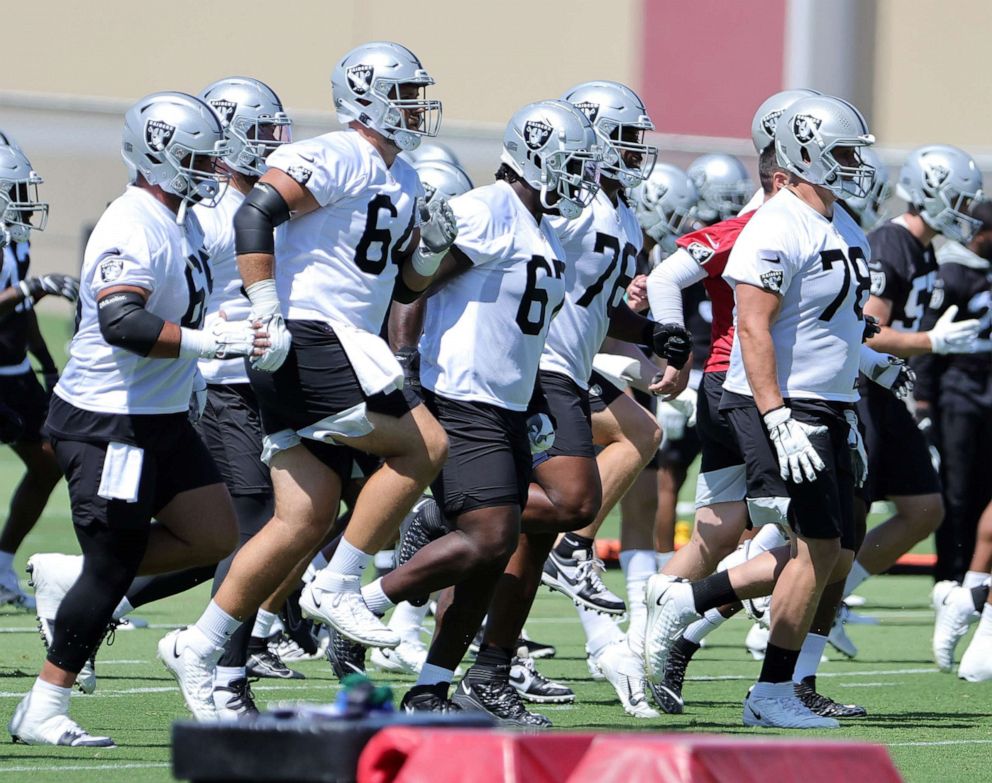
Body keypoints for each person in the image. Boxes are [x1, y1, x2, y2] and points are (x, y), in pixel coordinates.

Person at [159, 42, 453, 721]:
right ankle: (338, 584)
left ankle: (200, 646)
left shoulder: (401, 175)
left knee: (303, 514)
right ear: (369, 95)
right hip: (310, 331)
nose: (416, 107)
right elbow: (254, 212)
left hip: (347, 336)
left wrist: (430, 252)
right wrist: (266, 307)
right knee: (423, 445)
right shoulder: (339, 151)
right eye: (405, 93)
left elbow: (400, 283)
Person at [8, 91, 256, 746]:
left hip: (161, 414)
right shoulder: (133, 223)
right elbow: (122, 321)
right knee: (113, 566)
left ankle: (75, 575)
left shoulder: (183, 220)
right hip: (107, 421)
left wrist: (234, 327)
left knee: (214, 532)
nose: (210, 168)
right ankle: (44, 705)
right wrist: (208, 345)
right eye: (198, 156)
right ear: (159, 156)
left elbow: (190, 308)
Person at [646, 94, 877, 729]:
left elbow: (839, 324)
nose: (857, 164)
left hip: (830, 401)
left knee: (824, 548)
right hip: (783, 401)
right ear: (806, 155)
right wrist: (777, 415)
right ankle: (769, 689)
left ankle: (697, 608)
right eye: (845, 153)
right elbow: (752, 328)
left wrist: (868, 378)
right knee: (815, 545)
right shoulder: (774, 224)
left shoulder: (840, 222)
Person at [365, 99, 601, 721]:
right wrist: (406, 363)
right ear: (537, 156)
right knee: (492, 533)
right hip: (463, 393)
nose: (582, 178)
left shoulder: (537, 222)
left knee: (495, 549)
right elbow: (412, 284)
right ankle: (360, 600)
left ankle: (430, 690)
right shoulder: (488, 210)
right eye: (573, 164)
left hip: (508, 400)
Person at [463, 81, 688, 721]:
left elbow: (594, 304)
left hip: (565, 366)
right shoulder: (567, 205)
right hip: (536, 369)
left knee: (528, 535)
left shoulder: (619, 213)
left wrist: (652, 334)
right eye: (623, 138)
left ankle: (490, 670)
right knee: (567, 502)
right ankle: (444, 558)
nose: (634, 151)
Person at [847, 145, 985, 603]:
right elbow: (866, 332)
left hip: (886, 392)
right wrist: (932, 343)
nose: (967, 213)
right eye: (961, 201)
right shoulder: (891, 242)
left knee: (925, 509)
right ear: (931, 193)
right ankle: (737, 602)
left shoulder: (925, 250)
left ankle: (836, 595)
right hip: (859, 390)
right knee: (846, 516)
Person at [0, 132, 77, 610]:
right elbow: (18, 297)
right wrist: (31, 289)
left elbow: (21, 308)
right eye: (15, 190)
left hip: (12, 372)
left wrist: (46, 363)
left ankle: (1, 562)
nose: (24, 202)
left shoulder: (14, 240)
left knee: (49, 459)